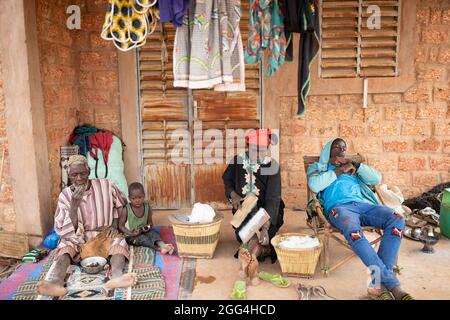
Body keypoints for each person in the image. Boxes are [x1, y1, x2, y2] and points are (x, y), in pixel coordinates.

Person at [307, 138, 414, 300]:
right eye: (338, 147)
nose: (342, 150)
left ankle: (378, 284)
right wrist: (338, 171)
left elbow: (376, 179)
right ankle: (393, 285)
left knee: (397, 218)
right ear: (328, 150)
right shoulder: (319, 168)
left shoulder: (353, 167)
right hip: (339, 208)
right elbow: (314, 185)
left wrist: (356, 165)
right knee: (352, 229)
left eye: (344, 147)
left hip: (364, 206)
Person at [37, 155, 136, 297]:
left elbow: (120, 205)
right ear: (69, 175)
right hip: (78, 237)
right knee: (64, 248)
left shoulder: (106, 185)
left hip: (104, 233)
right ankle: (56, 283)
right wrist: (74, 206)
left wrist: (116, 225)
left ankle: (117, 277)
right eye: (74, 175)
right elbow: (64, 230)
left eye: (82, 173)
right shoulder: (65, 196)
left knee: (119, 243)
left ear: (88, 171)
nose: (79, 178)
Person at [222, 129, 285, 285]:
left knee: (261, 236)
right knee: (248, 234)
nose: (258, 153)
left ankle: (247, 264)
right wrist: (233, 195)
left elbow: (273, 198)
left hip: (268, 211)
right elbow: (227, 180)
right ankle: (254, 264)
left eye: (262, 150)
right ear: (247, 145)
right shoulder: (237, 161)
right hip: (244, 210)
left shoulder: (273, 166)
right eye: (254, 149)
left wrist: (265, 227)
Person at [118, 182, 174, 255]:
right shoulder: (126, 209)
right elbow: (121, 226)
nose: (137, 200)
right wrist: (131, 233)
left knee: (154, 234)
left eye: (140, 197)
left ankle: (163, 245)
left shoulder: (147, 207)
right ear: (129, 198)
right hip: (132, 236)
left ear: (144, 196)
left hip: (145, 231)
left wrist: (144, 228)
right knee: (143, 239)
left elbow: (150, 224)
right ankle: (159, 249)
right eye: (134, 198)